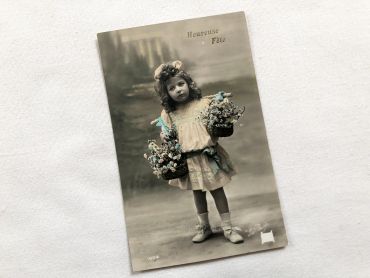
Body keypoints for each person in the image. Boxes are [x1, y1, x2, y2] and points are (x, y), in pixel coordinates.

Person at [153, 60, 244, 244]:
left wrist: (220, 103)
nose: (178, 90)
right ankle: (205, 227)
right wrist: (165, 135)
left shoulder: (202, 104)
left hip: (208, 156)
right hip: (189, 160)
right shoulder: (169, 114)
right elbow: (168, 134)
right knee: (198, 193)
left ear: (188, 84)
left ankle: (228, 228)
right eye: (172, 88)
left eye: (181, 84)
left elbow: (216, 110)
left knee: (217, 190)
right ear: (167, 94)